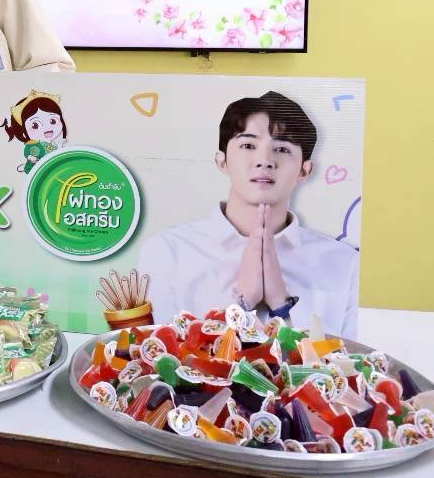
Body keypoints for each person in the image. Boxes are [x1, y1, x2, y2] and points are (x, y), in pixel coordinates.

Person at [136, 91, 359, 336]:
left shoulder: (344, 264)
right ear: (222, 161)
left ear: (304, 170)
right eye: (248, 145)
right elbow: (157, 355)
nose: (264, 160)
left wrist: (281, 305)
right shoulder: (167, 252)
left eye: (282, 149)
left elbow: (351, 357)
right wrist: (241, 304)